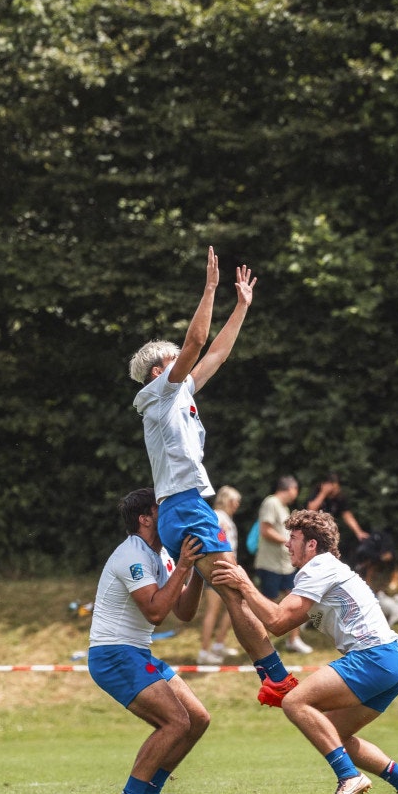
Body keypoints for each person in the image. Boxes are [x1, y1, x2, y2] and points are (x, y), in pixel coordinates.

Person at [129, 247, 294, 706]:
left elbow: (215, 353)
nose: (184, 359)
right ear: (160, 372)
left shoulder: (178, 395)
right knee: (234, 585)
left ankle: (275, 675)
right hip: (183, 504)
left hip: (186, 506)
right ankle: (276, 676)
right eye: (175, 357)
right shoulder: (157, 394)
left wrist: (240, 307)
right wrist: (209, 289)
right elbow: (197, 344)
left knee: (230, 589)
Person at [212, 509, 398, 794]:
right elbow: (280, 625)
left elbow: (275, 620)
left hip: (374, 657)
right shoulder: (327, 570)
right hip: (393, 661)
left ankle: (348, 777)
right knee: (334, 734)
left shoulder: (319, 567)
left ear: (312, 545)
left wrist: (244, 583)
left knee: (295, 702)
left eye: (294, 538)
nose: (288, 545)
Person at [90, 489, 212, 794]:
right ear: (145, 518)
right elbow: (156, 613)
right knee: (175, 721)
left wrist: (198, 571)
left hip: (137, 653)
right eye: (162, 510)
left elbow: (184, 612)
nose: (170, 514)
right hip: (114, 654)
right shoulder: (132, 554)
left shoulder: (162, 555)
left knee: (197, 719)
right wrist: (185, 565)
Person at [255, 476, 313, 655]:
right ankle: (264, 647)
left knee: (296, 601)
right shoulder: (271, 502)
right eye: (296, 490)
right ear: (291, 488)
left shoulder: (284, 507)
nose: (296, 494)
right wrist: (289, 541)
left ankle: (293, 640)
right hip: (270, 564)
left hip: (285, 564)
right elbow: (265, 531)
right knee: (268, 605)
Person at [198, 485, 240, 666]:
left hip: (227, 569)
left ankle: (218, 644)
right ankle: (204, 652)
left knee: (233, 608)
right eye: (237, 501)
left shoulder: (226, 518)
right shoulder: (216, 516)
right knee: (213, 611)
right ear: (230, 501)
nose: (238, 505)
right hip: (217, 570)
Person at [307, 473, 368, 554]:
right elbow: (310, 510)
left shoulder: (339, 498)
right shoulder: (317, 493)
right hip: (313, 531)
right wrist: (323, 493)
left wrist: (358, 532)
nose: (335, 491)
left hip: (328, 533)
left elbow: (347, 515)